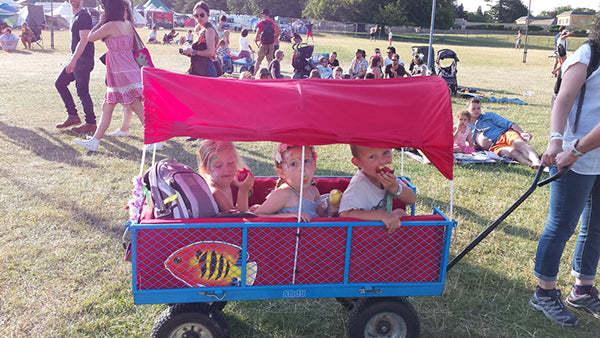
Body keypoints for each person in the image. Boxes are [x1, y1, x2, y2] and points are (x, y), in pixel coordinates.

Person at [530, 16, 600, 327]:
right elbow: (564, 99)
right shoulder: (587, 55)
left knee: (596, 226)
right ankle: (544, 293)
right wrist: (559, 143)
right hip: (576, 157)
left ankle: (582, 289)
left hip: (589, 155)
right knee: (561, 226)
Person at [74, 0, 147, 152]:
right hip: (126, 68)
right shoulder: (127, 24)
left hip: (120, 71)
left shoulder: (110, 26)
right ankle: (94, 141)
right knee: (107, 107)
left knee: (135, 106)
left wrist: (100, 22)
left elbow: (90, 37)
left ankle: (154, 139)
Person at [339, 145, 416, 233]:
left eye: (386, 153)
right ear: (357, 162)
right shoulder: (358, 185)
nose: (382, 161)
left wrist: (394, 187)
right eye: (372, 157)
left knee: (400, 212)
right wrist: (381, 215)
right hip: (364, 234)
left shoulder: (388, 178)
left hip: (385, 227)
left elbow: (411, 199)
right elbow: (345, 214)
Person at [54, 0, 96, 134]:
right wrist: (72, 60)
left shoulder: (84, 15)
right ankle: (73, 116)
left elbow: (84, 40)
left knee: (82, 91)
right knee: (60, 83)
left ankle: (91, 123)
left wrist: (73, 60)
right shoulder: (75, 16)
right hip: (77, 60)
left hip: (83, 61)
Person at [254, 144, 324, 221]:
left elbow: (321, 218)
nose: (302, 168)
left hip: (312, 232)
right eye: (293, 164)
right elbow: (257, 215)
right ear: (282, 173)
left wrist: (332, 211)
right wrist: (288, 216)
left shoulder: (313, 191)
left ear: (314, 165)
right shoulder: (283, 193)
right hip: (289, 233)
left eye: (306, 161)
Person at [467, 98, 540, 167]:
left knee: (519, 144)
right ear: (467, 109)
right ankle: (531, 165)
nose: (476, 111)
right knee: (512, 153)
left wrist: (521, 133)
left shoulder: (489, 115)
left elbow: (509, 124)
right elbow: (461, 140)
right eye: (473, 109)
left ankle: (536, 161)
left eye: (478, 108)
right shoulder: (465, 125)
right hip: (494, 147)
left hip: (505, 135)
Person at [197, 140, 255, 212]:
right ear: (206, 169)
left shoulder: (223, 181)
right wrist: (243, 191)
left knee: (256, 208)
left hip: (235, 217)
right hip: (230, 221)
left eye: (230, 163)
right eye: (219, 166)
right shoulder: (216, 192)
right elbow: (238, 218)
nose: (226, 169)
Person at [181, 2, 218, 77]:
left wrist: (193, 51)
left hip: (206, 70)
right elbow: (196, 29)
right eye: (196, 15)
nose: (199, 18)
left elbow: (210, 53)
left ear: (208, 14)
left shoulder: (209, 30)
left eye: (202, 15)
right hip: (199, 68)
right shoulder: (202, 30)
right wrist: (188, 50)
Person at [254, 8, 279, 74]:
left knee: (258, 60)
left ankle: (255, 73)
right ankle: (269, 74)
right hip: (271, 44)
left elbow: (257, 33)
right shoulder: (272, 24)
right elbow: (274, 34)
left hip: (263, 43)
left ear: (264, 15)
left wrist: (256, 39)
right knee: (269, 60)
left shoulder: (261, 23)